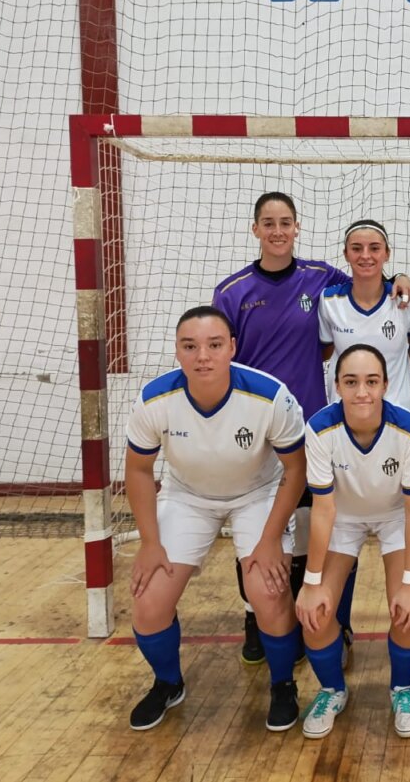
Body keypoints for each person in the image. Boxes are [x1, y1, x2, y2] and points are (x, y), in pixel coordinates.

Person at [213, 193, 410, 666]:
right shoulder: (232, 291)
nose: (277, 230)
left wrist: (399, 278)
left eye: (285, 222)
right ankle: (253, 614)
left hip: (307, 424)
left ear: (297, 227)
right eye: (268, 222)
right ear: (255, 229)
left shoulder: (320, 279)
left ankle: (316, 620)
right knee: (256, 523)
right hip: (253, 426)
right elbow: (221, 357)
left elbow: (369, 280)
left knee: (310, 526)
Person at [122, 306, 308, 732]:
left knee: (267, 590)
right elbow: (138, 471)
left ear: (232, 348)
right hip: (187, 497)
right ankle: (168, 683)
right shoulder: (154, 399)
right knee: (148, 600)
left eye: (214, 345)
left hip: (258, 494)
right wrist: (150, 543)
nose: (202, 356)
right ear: (177, 351)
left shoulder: (269, 396)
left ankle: (283, 684)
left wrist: (270, 539)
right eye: (190, 346)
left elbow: (296, 469)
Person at [293, 345, 410, 739]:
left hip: (395, 518)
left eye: (371, 381)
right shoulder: (319, 429)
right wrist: (311, 582)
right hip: (343, 519)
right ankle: (332, 691)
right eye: (351, 382)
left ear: (386, 385)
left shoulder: (409, 430)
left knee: (406, 608)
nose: (362, 392)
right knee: (316, 612)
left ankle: (402, 689)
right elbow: (323, 510)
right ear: (337, 386)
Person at [318, 220, 410, 415]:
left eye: (374, 248)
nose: (365, 255)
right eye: (356, 248)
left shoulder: (405, 299)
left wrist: (395, 370)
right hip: (345, 416)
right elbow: (325, 351)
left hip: (398, 417)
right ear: (346, 254)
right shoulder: (329, 301)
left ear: (387, 253)